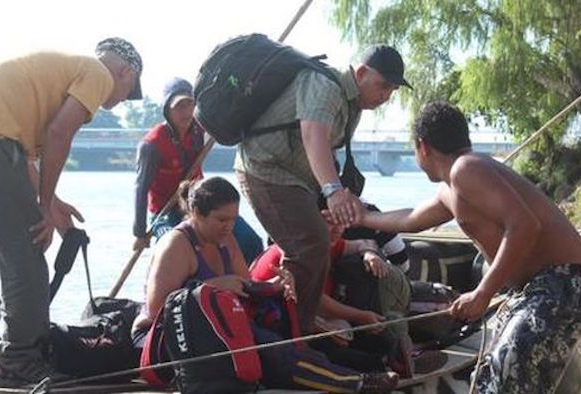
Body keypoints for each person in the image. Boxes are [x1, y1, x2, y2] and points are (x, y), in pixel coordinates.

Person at [348, 101, 581, 393]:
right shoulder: (453, 187)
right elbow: (412, 219)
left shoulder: (467, 169)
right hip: (536, 289)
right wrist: (364, 216)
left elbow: (525, 226)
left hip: (564, 282)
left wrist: (483, 293)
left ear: (422, 146)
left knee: (509, 380)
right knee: (488, 381)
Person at [0, 37, 143, 387]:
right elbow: (59, 133)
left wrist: (53, 202)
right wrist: (43, 208)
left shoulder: (62, 71)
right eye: (129, 90)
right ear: (125, 72)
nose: (122, 99)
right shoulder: (97, 73)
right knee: (26, 255)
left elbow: (23, 158)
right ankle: (17, 359)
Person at [131, 177, 398, 393]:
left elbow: (245, 287)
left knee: (278, 339)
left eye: (233, 219)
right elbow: (157, 311)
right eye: (221, 220)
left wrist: (277, 284)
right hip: (166, 339)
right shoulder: (176, 244)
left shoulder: (225, 239)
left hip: (214, 330)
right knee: (264, 347)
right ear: (196, 214)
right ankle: (351, 383)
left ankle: (356, 373)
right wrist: (214, 284)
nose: (229, 227)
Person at [235, 44, 411, 334]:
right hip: (265, 170)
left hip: (297, 180)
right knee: (312, 245)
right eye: (383, 86)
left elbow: (327, 152)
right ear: (362, 73)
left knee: (321, 240)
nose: (386, 96)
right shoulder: (324, 85)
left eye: (392, 90)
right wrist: (333, 191)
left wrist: (336, 196)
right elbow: (312, 133)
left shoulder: (353, 105)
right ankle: (300, 332)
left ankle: (299, 324)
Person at [250, 219, 413, 376]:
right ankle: (383, 366)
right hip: (278, 326)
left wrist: (369, 254)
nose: (337, 229)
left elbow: (363, 243)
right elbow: (315, 300)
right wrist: (358, 317)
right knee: (344, 352)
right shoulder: (298, 252)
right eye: (328, 223)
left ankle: (394, 358)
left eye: (339, 223)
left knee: (372, 338)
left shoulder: (326, 243)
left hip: (310, 316)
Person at [132, 77, 263, 263]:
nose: (186, 113)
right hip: (166, 212)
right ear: (167, 109)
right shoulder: (152, 145)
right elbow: (141, 188)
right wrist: (139, 232)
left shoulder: (199, 129)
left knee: (250, 242)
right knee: (172, 250)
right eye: (179, 107)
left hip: (199, 204)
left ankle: (247, 284)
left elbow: (226, 116)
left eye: (190, 105)